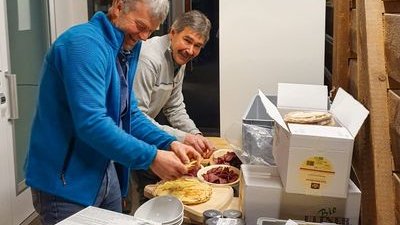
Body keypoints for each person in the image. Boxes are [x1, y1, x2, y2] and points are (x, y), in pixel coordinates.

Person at [23, 0, 202, 224]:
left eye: (151, 30)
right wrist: (151, 157)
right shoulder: (83, 44)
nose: (144, 37)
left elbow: (130, 113)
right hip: (65, 181)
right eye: (141, 25)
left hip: (103, 169)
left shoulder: (126, 47)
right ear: (118, 6)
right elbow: (92, 123)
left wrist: (169, 143)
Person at [131, 10, 214, 205]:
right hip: (131, 134)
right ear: (172, 32)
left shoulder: (180, 57)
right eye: (187, 40)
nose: (191, 50)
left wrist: (196, 135)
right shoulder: (149, 59)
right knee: (136, 195)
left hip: (148, 132)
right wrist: (183, 138)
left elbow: (174, 106)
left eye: (197, 46)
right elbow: (136, 116)